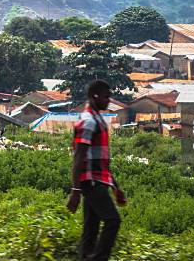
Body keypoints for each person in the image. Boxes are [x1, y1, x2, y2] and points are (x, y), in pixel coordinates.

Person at [67, 80, 127, 261]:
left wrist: (116, 188)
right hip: (91, 182)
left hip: (98, 180)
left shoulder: (98, 119)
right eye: (106, 97)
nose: (109, 100)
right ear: (95, 96)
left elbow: (101, 161)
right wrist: (75, 190)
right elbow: (79, 157)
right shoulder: (88, 121)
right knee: (113, 221)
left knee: (90, 231)